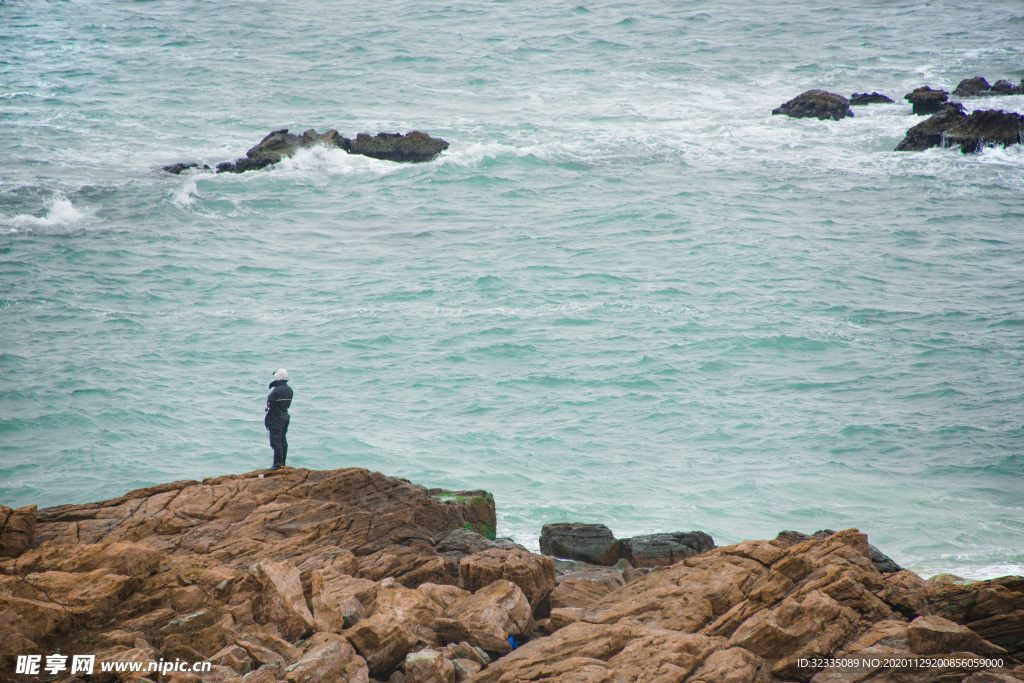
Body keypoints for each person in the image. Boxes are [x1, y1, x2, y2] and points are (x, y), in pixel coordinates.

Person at [265, 368, 293, 470]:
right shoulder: (289, 390)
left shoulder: (276, 390)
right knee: (282, 440)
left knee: (276, 442)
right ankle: (282, 463)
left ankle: (276, 465)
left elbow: (270, 404)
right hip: (285, 416)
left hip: (276, 418)